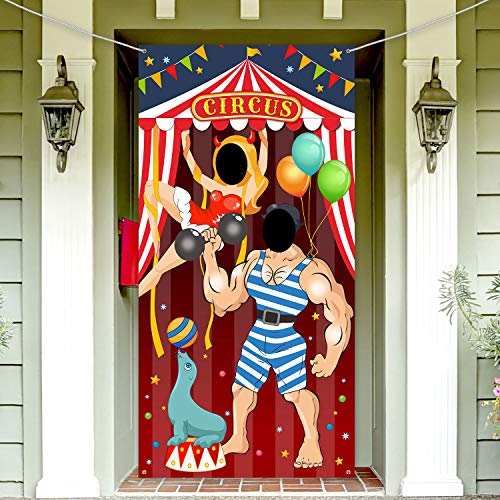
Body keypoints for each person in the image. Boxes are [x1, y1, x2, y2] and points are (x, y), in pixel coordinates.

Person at [200, 204, 353, 468]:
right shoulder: (254, 261)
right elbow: (225, 302)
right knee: (240, 389)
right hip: (258, 334)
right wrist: (210, 257)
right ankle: (238, 438)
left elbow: (339, 312)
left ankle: (312, 440)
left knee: (295, 393)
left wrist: (332, 358)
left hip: (286, 340)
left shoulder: (309, 270)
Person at [139, 128, 269, 297]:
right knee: (151, 187)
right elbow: (197, 174)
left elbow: (262, 167)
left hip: (211, 234)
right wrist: (186, 147)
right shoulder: (217, 185)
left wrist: (263, 136)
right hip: (197, 216)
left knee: (159, 268)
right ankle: (153, 235)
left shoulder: (247, 190)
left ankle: (139, 292)